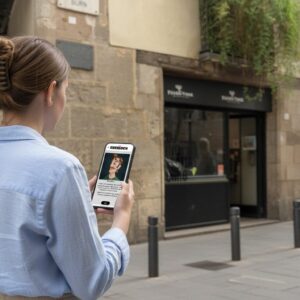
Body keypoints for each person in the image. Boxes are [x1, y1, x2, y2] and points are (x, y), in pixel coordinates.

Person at [0, 36, 135, 299]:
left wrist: (71, 201)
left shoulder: (57, 175)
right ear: (51, 92)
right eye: (66, 91)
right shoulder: (60, 169)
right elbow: (92, 282)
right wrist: (121, 220)